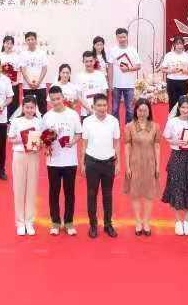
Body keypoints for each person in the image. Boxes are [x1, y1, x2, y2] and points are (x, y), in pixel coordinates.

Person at [79, 94, 121, 238]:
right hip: (92, 162)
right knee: (91, 194)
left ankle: (108, 224)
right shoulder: (87, 122)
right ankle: (93, 225)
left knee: (108, 195)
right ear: (93, 107)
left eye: (104, 105)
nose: (102, 108)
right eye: (99, 105)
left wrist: (118, 163)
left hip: (109, 162)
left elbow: (117, 142)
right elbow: (84, 144)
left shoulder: (113, 121)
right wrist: (82, 163)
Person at [43, 85, 82, 236]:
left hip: (70, 161)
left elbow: (79, 134)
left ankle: (69, 222)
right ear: (50, 100)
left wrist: (73, 142)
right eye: (53, 99)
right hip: (53, 161)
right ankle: (55, 222)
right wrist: (46, 145)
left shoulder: (73, 114)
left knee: (69, 193)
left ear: (63, 98)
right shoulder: (47, 117)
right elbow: (43, 138)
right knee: (53, 192)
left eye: (58, 98)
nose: (56, 102)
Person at [161, 95, 188, 235]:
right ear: (178, 108)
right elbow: (166, 137)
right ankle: (178, 221)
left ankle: (187, 221)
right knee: (176, 186)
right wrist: (175, 142)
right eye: (183, 107)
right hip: (176, 156)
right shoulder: (172, 122)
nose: (185, 110)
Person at [122, 97, 160, 236]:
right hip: (135, 163)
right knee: (135, 194)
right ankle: (138, 221)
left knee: (149, 194)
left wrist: (157, 166)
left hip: (150, 164)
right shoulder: (129, 126)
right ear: (135, 111)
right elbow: (127, 146)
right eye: (139, 110)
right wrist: (127, 166)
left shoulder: (155, 126)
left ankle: (146, 222)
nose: (142, 113)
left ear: (149, 111)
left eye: (145, 110)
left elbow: (157, 146)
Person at [8, 96, 43, 236]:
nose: (29, 110)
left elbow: (42, 140)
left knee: (32, 188)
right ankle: (20, 222)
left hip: (33, 155)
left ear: (35, 108)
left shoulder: (39, 122)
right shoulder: (16, 121)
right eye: (27, 107)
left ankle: (29, 221)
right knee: (19, 188)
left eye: (32, 107)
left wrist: (40, 142)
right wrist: (22, 137)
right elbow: (10, 138)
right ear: (23, 108)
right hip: (19, 155)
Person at [105, 28, 141, 122]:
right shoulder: (113, 50)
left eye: (124, 37)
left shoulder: (132, 50)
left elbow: (138, 66)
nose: (122, 39)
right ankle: (115, 127)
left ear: (127, 37)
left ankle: (128, 127)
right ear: (117, 38)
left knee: (130, 109)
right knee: (115, 109)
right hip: (116, 85)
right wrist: (110, 84)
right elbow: (110, 67)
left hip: (129, 85)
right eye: (120, 37)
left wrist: (128, 69)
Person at [19, 31, 49, 113]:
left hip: (40, 85)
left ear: (36, 40)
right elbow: (23, 69)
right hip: (27, 86)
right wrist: (29, 83)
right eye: (28, 39)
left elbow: (44, 68)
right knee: (29, 109)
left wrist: (38, 82)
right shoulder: (23, 54)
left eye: (32, 39)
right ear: (26, 41)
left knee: (42, 108)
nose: (30, 41)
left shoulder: (42, 53)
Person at [160, 36, 188, 109]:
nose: (179, 46)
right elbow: (163, 69)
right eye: (177, 44)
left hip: (184, 82)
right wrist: (171, 71)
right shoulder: (169, 55)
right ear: (174, 45)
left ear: (183, 45)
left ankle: (182, 115)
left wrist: (183, 70)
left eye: (181, 44)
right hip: (172, 81)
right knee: (172, 101)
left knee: (183, 102)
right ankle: (172, 115)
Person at [75, 51, 108, 118]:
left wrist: (98, 108)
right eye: (86, 61)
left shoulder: (100, 75)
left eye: (91, 61)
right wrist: (89, 109)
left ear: (94, 61)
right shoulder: (79, 76)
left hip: (100, 112)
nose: (89, 64)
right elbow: (79, 96)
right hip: (85, 113)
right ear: (83, 62)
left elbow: (104, 94)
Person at [0, 34, 23, 119]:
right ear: (3, 43)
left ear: (13, 45)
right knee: (3, 102)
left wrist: (17, 81)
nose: (9, 45)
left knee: (14, 104)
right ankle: (3, 121)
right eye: (7, 43)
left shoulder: (16, 56)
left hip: (13, 84)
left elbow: (19, 70)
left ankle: (13, 122)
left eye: (11, 43)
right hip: (2, 84)